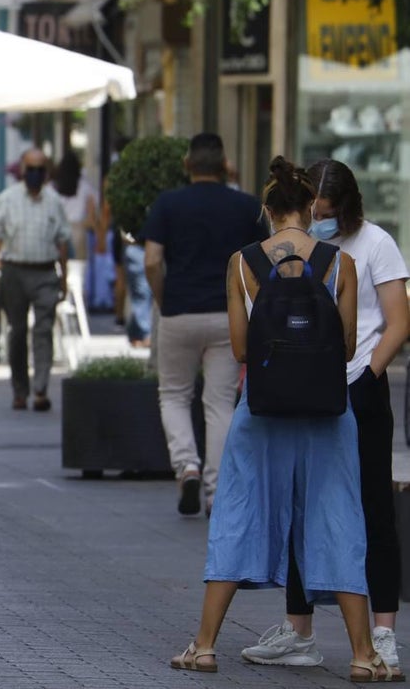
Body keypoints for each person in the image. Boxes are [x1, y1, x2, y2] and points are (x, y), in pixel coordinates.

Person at [170, 156, 400, 683]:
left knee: (238, 513)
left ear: (269, 212)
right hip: (328, 411)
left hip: (263, 410)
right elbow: (345, 347)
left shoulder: (242, 262)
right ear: (306, 209)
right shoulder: (338, 262)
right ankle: (363, 655)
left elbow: (238, 346)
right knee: (340, 518)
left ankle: (204, 646)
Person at [239, 158, 410, 670]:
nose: (319, 219)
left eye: (328, 212)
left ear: (346, 208)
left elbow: (397, 321)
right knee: (301, 505)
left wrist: (368, 375)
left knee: (373, 507)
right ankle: (299, 630)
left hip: (358, 386)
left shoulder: (375, 243)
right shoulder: (301, 244)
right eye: (315, 210)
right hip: (305, 389)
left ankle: (383, 634)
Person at [143, 133, 266, 516]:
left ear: (187, 164)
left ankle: (187, 467)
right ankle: (215, 491)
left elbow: (150, 260)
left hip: (179, 311)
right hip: (227, 316)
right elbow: (260, 264)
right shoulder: (246, 206)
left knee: (175, 394)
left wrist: (164, 299)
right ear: (225, 165)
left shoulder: (168, 204)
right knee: (219, 402)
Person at [0, 148, 71, 412]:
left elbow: (62, 241)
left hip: (45, 272)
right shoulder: (8, 199)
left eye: (39, 168)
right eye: (30, 168)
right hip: (14, 272)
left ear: (47, 172)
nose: (34, 173)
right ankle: (20, 391)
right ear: (22, 170)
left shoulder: (54, 201)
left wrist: (64, 276)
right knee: (17, 332)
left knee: (43, 331)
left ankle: (41, 388)